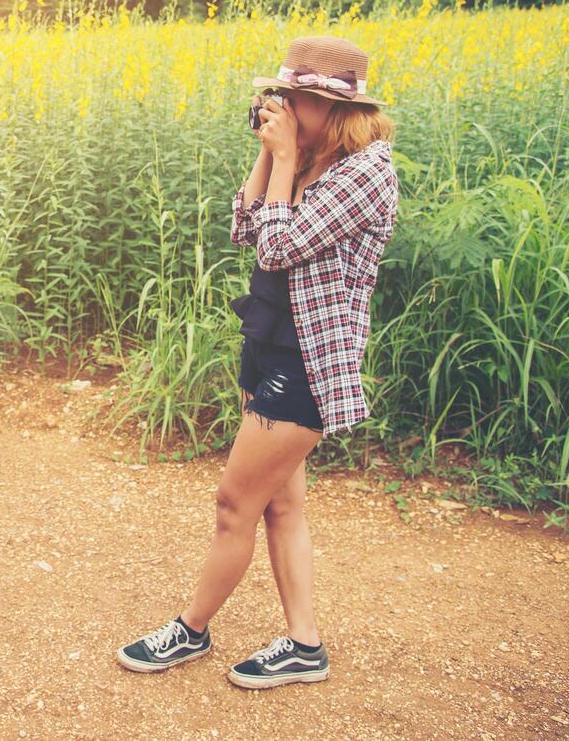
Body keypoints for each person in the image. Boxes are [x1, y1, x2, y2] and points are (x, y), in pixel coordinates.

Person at [116, 34, 399, 689]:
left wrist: (282, 156)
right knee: (280, 507)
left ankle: (188, 630)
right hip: (269, 342)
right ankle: (304, 645)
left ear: (331, 107)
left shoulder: (364, 172)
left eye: (293, 99)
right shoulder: (312, 157)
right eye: (282, 97)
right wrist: (271, 156)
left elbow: (278, 247)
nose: (282, 109)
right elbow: (244, 227)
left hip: (305, 361)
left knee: (232, 504)